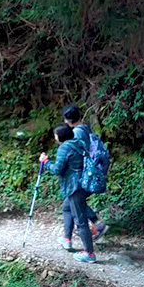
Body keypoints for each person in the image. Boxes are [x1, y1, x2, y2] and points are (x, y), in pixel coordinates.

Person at [40, 123, 98, 264]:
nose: (55, 137)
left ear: (60, 136)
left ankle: (89, 254)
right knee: (67, 208)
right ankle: (67, 239)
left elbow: (57, 169)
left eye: (55, 135)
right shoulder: (79, 142)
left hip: (74, 187)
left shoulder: (64, 148)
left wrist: (45, 162)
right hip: (84, 183)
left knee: (81, 221)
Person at [61, 104, 109, 243]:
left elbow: (77, 154)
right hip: (88, 172)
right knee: (70, 205)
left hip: (81, 175)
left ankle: (91, 232)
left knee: (73, 204)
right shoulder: (85, 128)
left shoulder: (77, 133)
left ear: (68, 120)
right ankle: (68, 237)